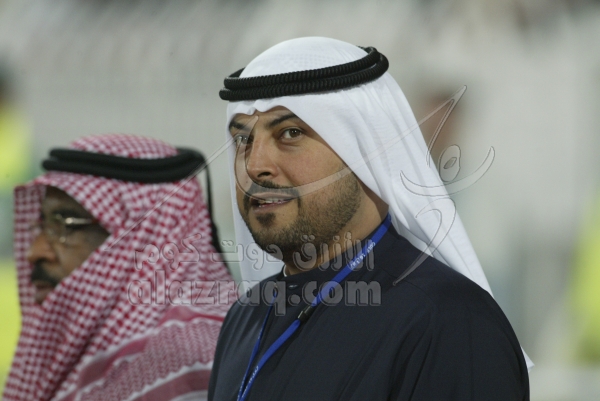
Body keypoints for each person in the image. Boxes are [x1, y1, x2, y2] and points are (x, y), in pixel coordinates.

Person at [208, 37, 531, 400]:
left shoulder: (448, 320)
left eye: (291, 133)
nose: (255, 166)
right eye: (243, 140)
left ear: (363, 150)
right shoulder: (245, 318)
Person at [2, 134, 232, 401]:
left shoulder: (185, 361)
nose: (35, 252)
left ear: (144, 239)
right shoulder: (102, 348)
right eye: (43, 225)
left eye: (65, 224)